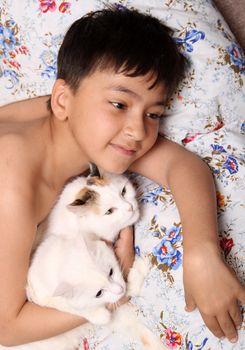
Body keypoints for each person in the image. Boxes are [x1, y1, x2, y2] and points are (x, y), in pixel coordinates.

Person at [0, 6, 244, 347]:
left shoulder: (78, 121)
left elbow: (184, 166)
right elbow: (7, 327)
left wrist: (202, 253)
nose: (137, 130)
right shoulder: (13, 188)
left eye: (154, 113)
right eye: (119, 104)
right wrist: (118, 285)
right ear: (62, 100)